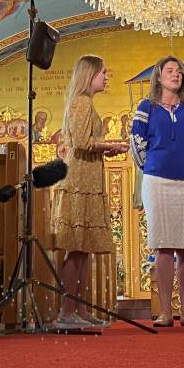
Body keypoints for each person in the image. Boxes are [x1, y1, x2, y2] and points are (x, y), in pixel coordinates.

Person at [130, 56, 184, 327]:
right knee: (163, 246)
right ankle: (165, 312)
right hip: (157, 182)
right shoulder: (147, 106)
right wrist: (153, 166)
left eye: (179, 71)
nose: (176, 75)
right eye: (170, 71)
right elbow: (136, 141)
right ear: (159, 76)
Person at [52, 56, 126, 330]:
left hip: (88, 175)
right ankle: (66, 312)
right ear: (90, 74)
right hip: (79, 177)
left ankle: (79, 310)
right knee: (76, 247)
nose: (107, 76)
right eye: (103, 72)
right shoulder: (81, 102)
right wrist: (110, 146)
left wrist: (108, 146)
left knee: (83, 248)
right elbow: (82, 142)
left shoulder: (86, 102)